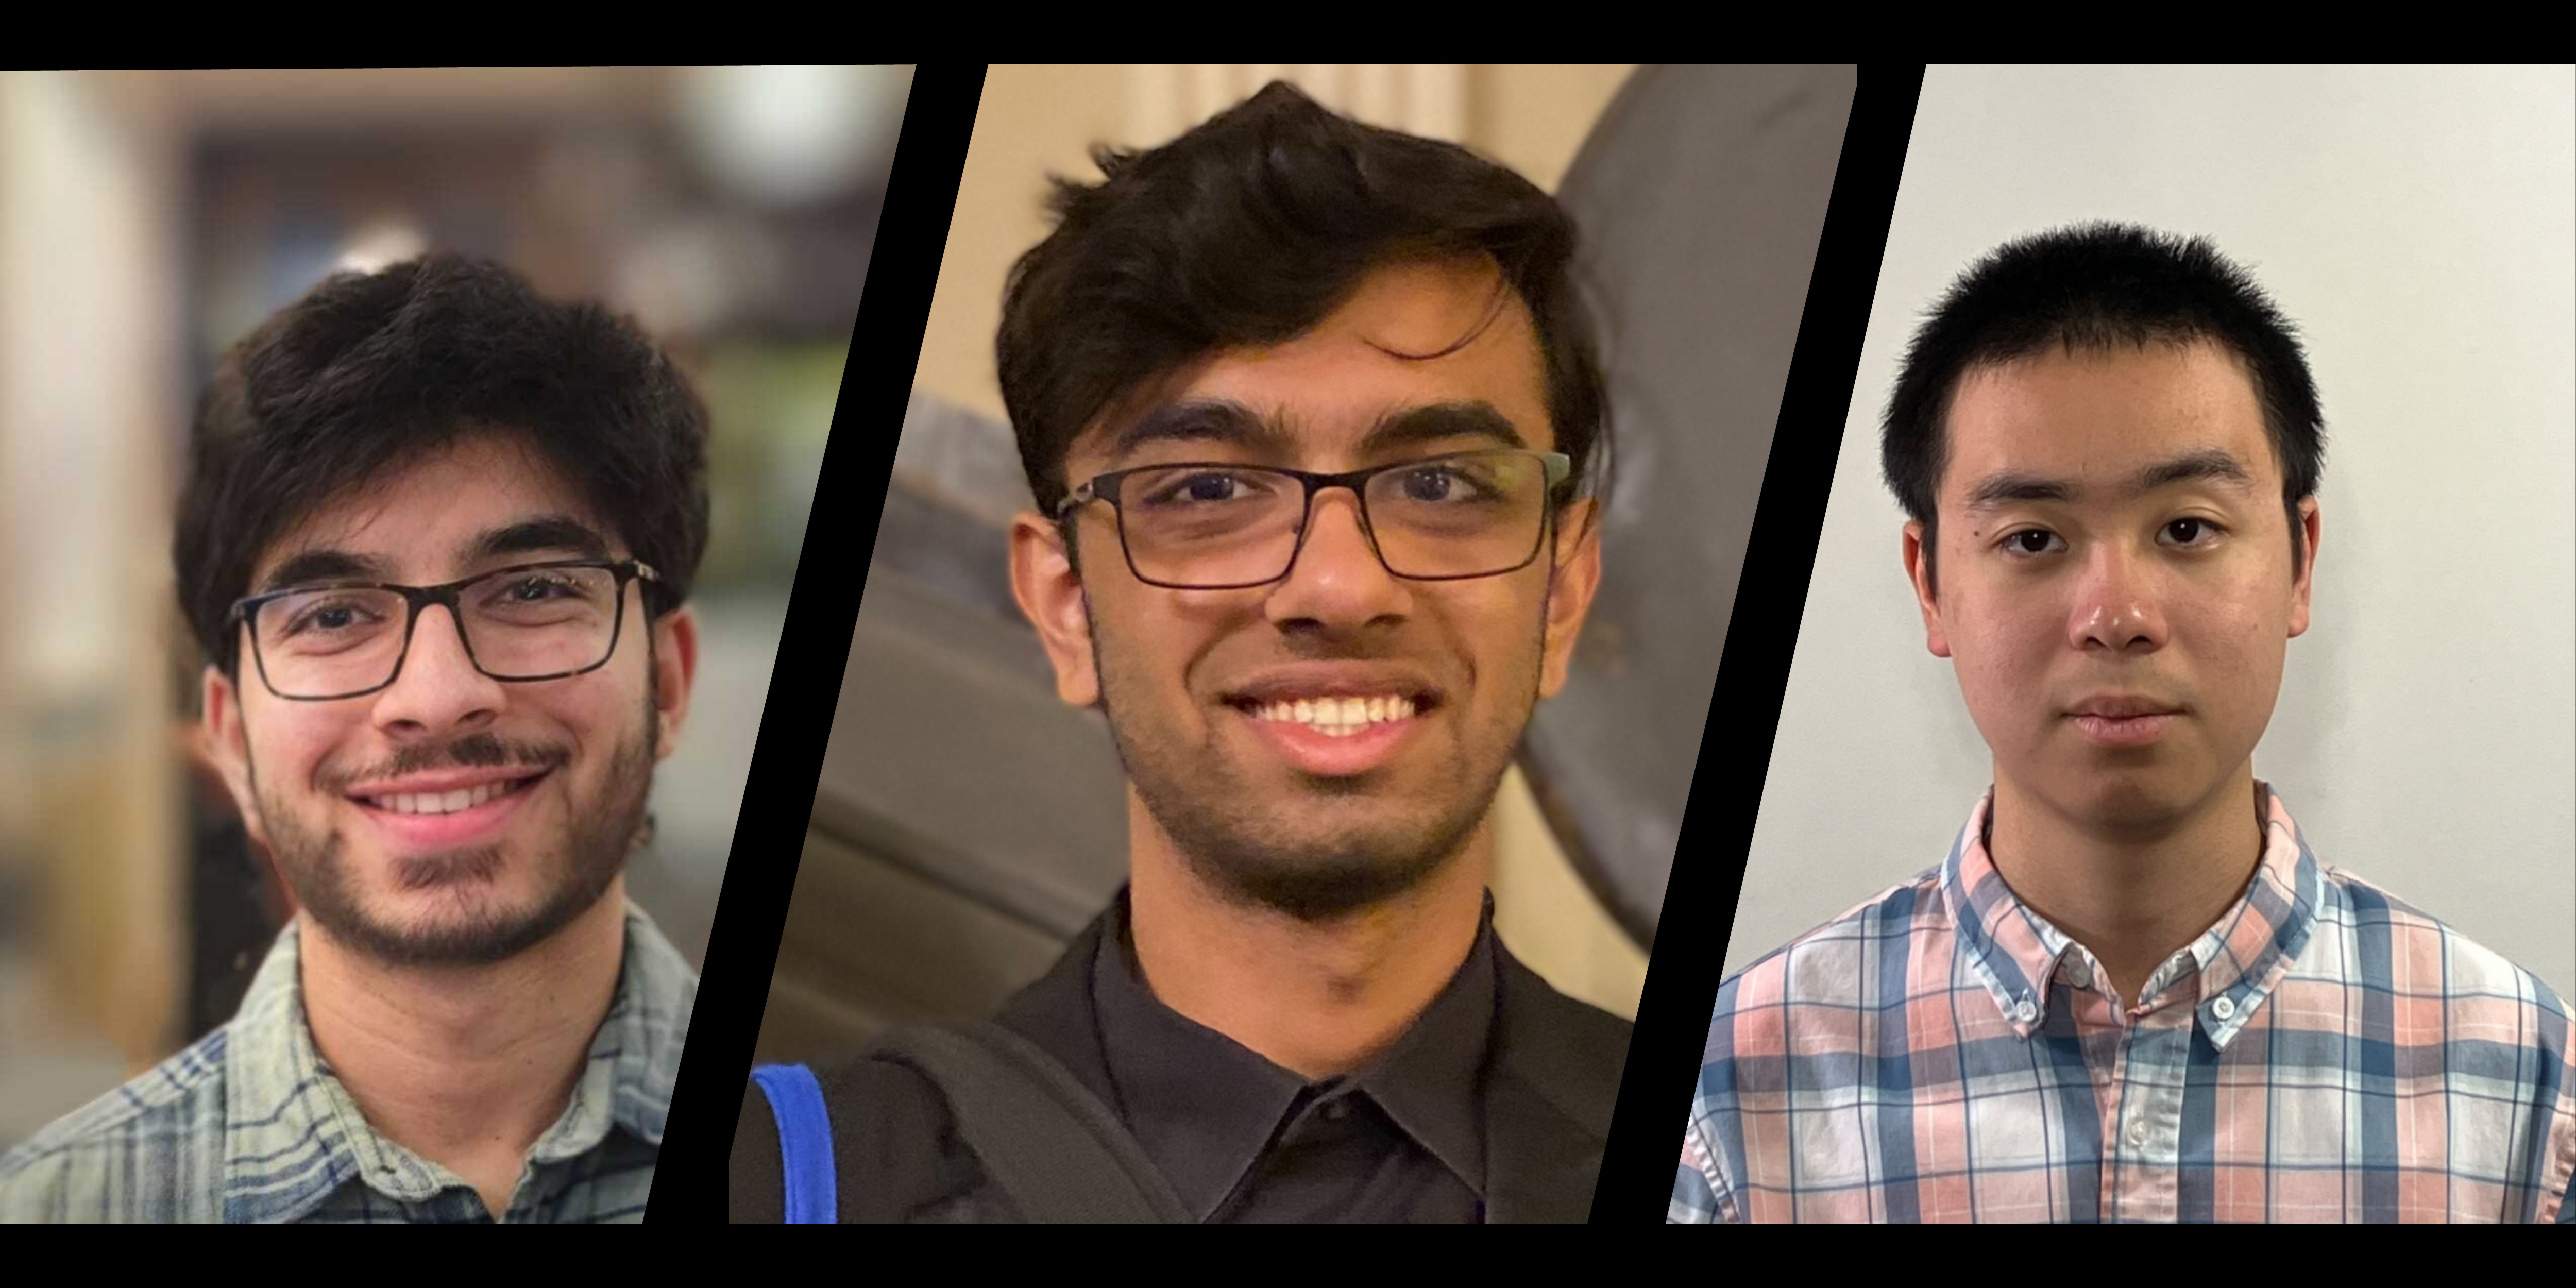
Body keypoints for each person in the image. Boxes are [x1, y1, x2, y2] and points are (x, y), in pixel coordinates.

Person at [731, 82, 1631, 1223]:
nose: (1338, 585)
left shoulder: (1738, 1152)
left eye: (1440, 482)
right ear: (1063, 605)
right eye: (1207, 489)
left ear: (1560, 590)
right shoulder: (795, 1180)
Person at [1673, 224, 2576, 1224]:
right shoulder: (1732, 1092)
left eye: (2186, 528)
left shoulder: (2526, 1088)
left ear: (2299, 559)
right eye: (2032, 538)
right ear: (1928, 583)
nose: (2116, 615)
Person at [0, 256, 706, 1223]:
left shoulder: (845, 1160)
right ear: (231, 739)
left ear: (667, 680)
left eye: (535, 588)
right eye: (332, 615)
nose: (439, 694)